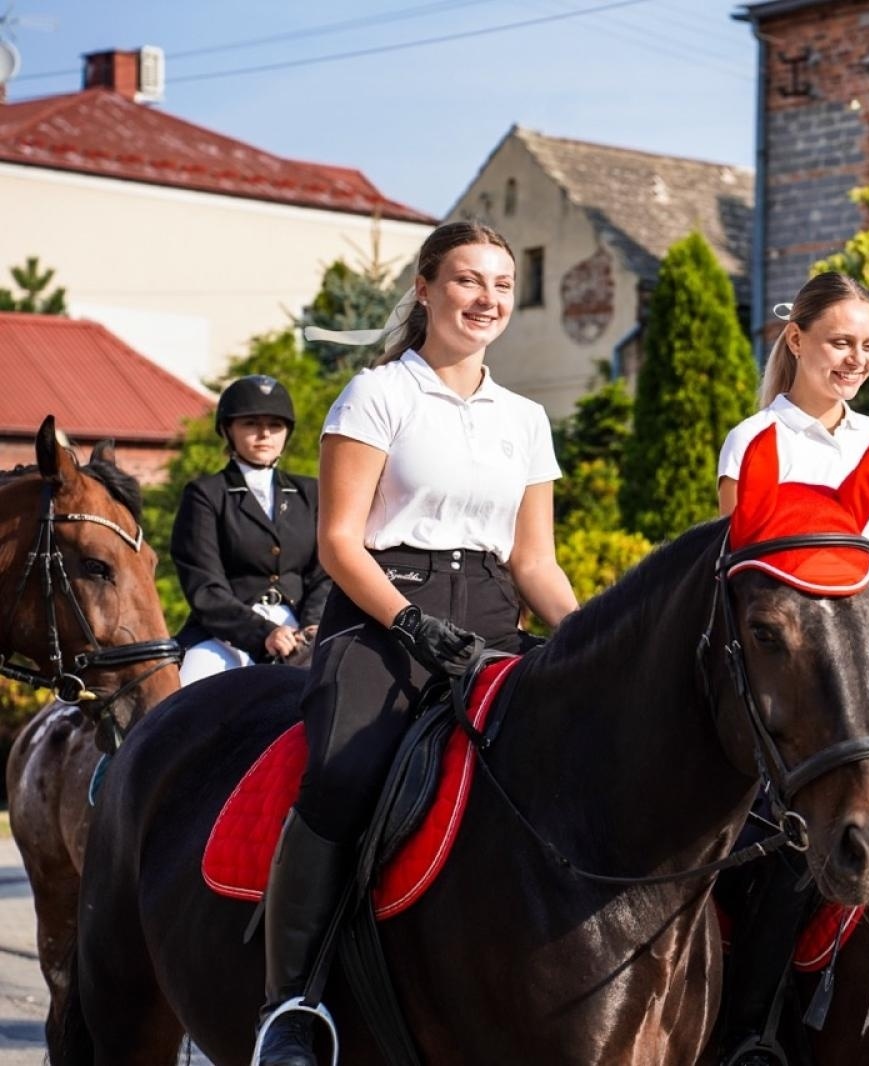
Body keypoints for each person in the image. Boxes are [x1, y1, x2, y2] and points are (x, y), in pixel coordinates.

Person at [255, 220, 579, 1065]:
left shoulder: (525, 417)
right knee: (344, 774)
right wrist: (409, 620)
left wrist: (583, 639)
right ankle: (292, 1003)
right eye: (469, 281)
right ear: (426, 289)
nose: (488, 299)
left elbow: (534, 559)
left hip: (496, 620)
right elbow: (338, 542)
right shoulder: (377, 394)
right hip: (386, 619)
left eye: (503, 285)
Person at [712, 271, 869, 1064]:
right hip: (808, 670)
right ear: (796, 340)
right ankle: (749, 1034)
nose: (855, 358)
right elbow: (741, 574)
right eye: (839, 343)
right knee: (795, 845)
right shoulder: (758, 442)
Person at [172, 376, 329, 685]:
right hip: (224, 635)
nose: (264, 434)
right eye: (251, 424)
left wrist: (314, 624)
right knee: (184, 693)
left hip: (301, 629)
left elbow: (325, 571)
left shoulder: (310, 493)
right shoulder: (206, 494)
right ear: (228, 430)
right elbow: (204, 585)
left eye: (275, 425)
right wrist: (263, 633)